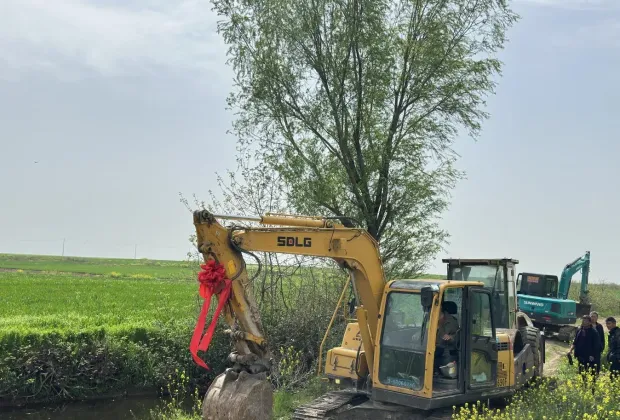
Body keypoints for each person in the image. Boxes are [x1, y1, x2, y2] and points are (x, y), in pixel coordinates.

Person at [568, 315, 602, 382]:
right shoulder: (579, 330)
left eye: (586, 321)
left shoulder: (594, 332)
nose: (584, 322)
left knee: (592, 375)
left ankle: (592, 386)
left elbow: (597, 346)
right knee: (582, 374)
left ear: (590, 322)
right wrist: (570, 350)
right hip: (581, 356)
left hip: (590, 357)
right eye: (583, 320)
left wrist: (593, 356)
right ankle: (583, 385)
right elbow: (575, 342)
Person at [434, 301, 459, 374]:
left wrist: (451, 337)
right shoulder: (430, 318)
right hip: (431, 346)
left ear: (440, 307)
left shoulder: (451, 321)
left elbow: (457, 337)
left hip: (445, 348)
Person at [605, 316, 620, 381]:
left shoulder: (618, 333)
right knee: (613, 377)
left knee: (614, 377)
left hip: (617, 359)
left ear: (614, 324)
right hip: (613, 358)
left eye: (609, 324)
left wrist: (619, 358)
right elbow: (611, 347)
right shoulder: (611, 333)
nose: (607, 325)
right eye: (607, 324)